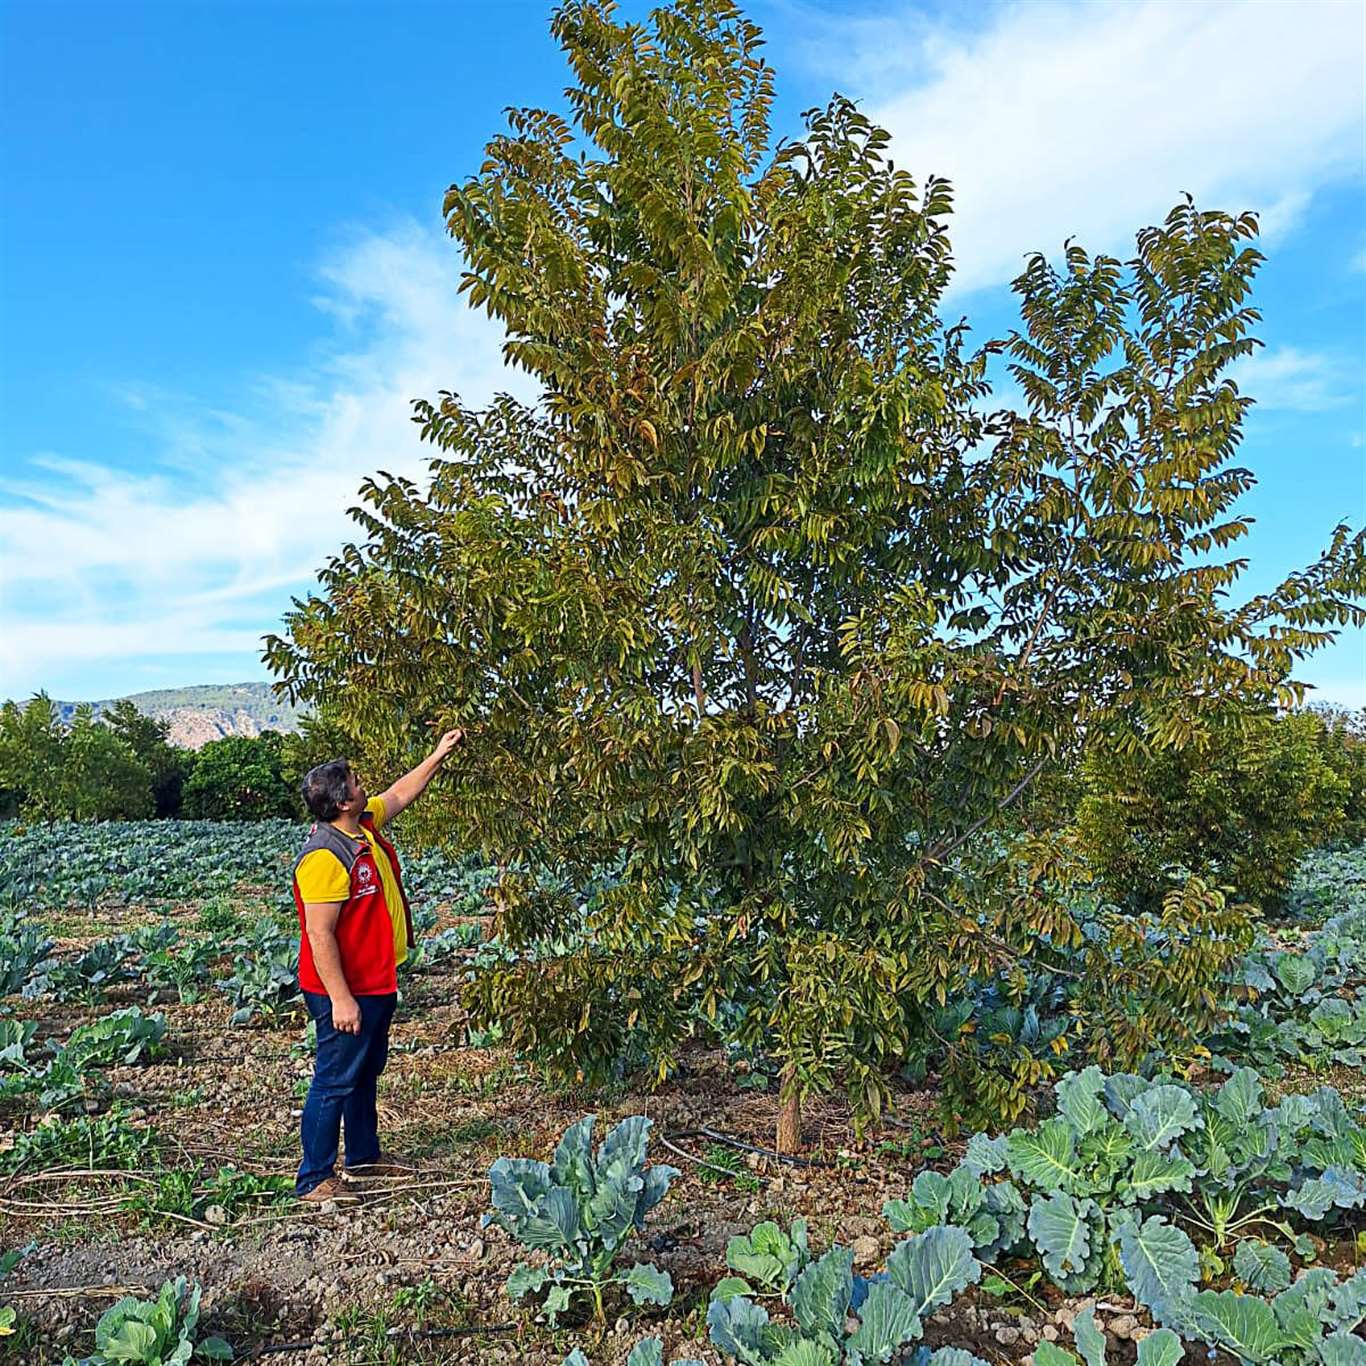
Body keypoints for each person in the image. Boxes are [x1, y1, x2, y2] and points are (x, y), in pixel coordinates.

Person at [292, 729, 463, 1203]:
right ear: (343, 801)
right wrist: (342, 999)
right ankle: (314, 1179)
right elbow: (319, 934)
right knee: (334, 1079)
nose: (365, 784)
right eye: (356, 780)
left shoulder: (362, 826)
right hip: (344, 990)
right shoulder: (325, 857)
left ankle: (364, 1157)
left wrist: (438, 755)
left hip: (375, 980)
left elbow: (402, 792)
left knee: (365, 1071)